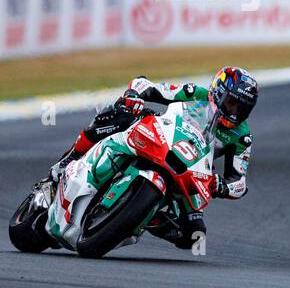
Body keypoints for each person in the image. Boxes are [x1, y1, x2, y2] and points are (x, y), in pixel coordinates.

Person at [47, 68, 258, 248]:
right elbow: (145, 85)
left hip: (190, 169)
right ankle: (70, 157)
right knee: (116, 114)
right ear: (219, 92)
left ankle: (144, 217)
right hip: (159, 136)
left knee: (194, 237)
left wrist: (222, 186)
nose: (235, 112)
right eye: (232, 103)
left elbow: (239, 181)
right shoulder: (194, 93)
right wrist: (133, 95)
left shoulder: (242, 136)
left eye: (243, 108)